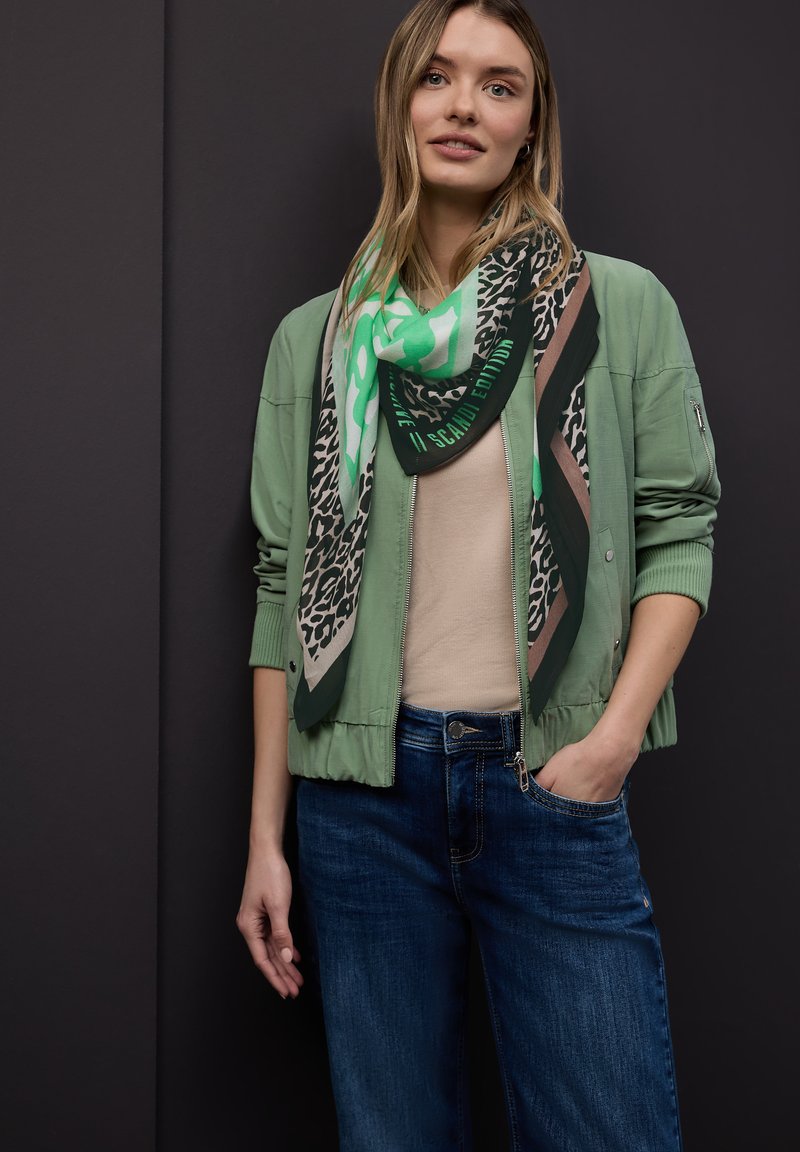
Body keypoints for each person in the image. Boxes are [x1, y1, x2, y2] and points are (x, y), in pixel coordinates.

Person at [236, 0, 720, 1148]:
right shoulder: (318, 340)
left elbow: (678, 531)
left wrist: (606, 744)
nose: (462, 107)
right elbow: (279, 586)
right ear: (397, 103)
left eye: (498, 85)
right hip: (360, 802)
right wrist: (265, 838)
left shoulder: (617, 307)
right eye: (436, 77)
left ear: (530, 123)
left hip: (549, 780)